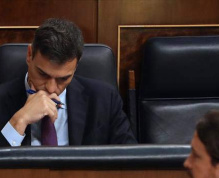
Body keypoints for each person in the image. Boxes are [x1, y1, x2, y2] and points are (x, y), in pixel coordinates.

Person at [0, 18, 136, 146]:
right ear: (29, 55)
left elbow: (132, 162)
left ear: (76, 65)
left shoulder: (105, 99)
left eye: (63, 78)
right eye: (43, 74)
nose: (51, 88)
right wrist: (19, 120)